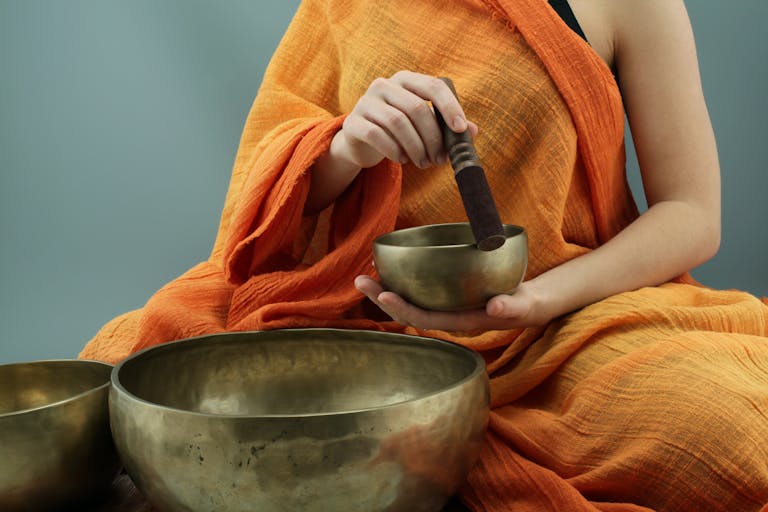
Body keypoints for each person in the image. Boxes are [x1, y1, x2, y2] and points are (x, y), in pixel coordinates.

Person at [81, 0, 768, 510]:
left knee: (729, 431)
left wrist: (536, 300)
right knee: (119, 365)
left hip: (563, 329)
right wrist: (348, 145)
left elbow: (693, 214)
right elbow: (261, 208)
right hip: (356, 317)